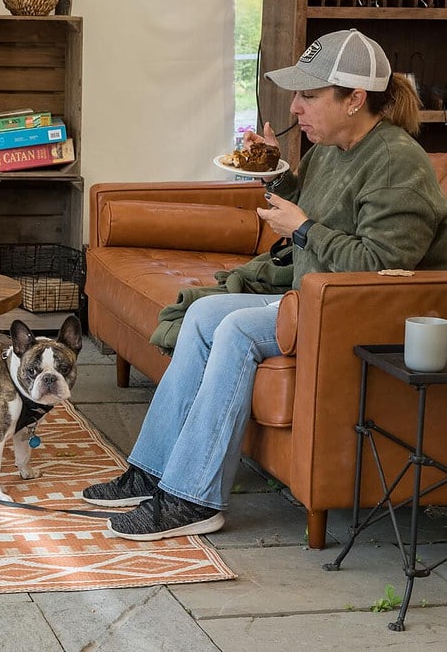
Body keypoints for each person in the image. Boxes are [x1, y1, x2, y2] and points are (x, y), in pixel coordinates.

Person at [83, 28, 447, 541]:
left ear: (355, 99)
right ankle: (154, 468)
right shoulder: (331, 148)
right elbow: (317, 209)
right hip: (310, 298)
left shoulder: (396, 163)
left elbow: (380, 268)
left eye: (310, 95)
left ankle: (193, 498)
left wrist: (301, 228)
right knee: (205, 314)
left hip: (353, 315)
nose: (295, 108)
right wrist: (274, 170)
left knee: (234, 328)